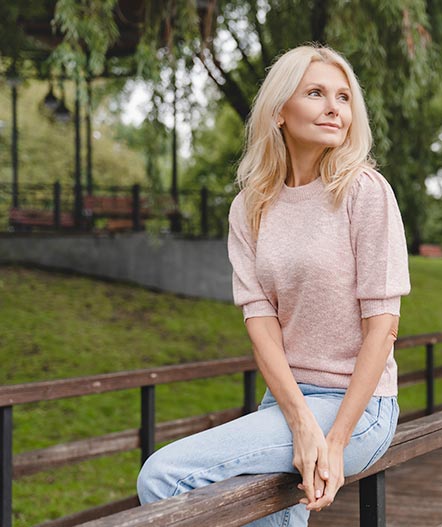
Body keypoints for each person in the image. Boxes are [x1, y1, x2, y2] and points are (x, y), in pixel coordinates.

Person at [137, 45, 410, 526]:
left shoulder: (364, 192)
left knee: (164, 477)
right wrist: (301, 424)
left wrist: (335, 439)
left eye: (344, 97)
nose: (334, 108)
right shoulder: (250, 207)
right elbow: (261, 326)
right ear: (280, 110)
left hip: (358, 409)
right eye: (316, 93)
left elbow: (383, 326)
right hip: (283, 403)